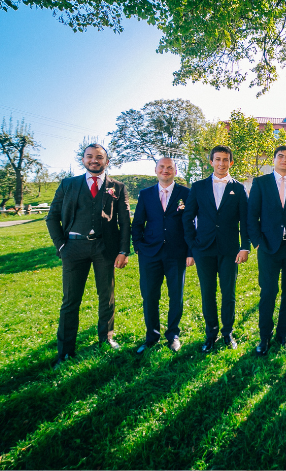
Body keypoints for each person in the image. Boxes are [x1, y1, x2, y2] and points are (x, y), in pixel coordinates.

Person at [46, 143, 131, 368]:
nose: (94, 160)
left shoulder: (117, 187)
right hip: (73, 248)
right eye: (90, 157)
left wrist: (123, 250)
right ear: (83, 159)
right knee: (70, 300)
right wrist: (61, 247)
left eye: (99, 157)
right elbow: (52, 217)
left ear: (107, 161)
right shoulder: (68, 185)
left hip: (105, 249)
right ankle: (65, 351)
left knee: (107, 296)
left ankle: (107, 337)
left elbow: (124, 222)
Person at [182, 145, 250, 352]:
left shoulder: (238, 189)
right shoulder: (198, 187)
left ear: (231, 162)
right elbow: (188, 217)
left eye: (225, 159)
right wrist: (192, 245)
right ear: (211, 162)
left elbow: (245, 221)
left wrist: (244, 246)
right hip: (204, 249)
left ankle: (227, 332)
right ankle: (211, 333)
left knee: (228, 292)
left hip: (230, 249)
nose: (221, 163)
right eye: (217, 159)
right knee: (207, 292)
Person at [248, 145, 286, 356]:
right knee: (268, 292)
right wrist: (256, 241)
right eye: (280, 156)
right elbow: (251, 214)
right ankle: (264, 337)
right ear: (274, 159)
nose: (284, 160)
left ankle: (283, 335)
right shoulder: (260, 183)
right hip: (268, 247)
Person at [131, 157, 193, 353]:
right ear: (156, 170)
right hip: (150, 253)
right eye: (162, 167)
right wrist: (138, 246)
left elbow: (192, 224)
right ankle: (152, 336)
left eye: (170, 167)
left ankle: (173, 335)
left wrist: (191, 251)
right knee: (149, 295)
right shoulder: (145, 194)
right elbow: (138, 223)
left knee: (176, 295)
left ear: (175, 170)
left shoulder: (186, 193)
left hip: (177, 253)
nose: (165, 170)